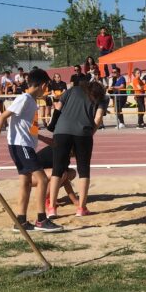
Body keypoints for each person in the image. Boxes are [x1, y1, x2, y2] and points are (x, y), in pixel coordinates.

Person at [0, 68, 63, 232]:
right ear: (43, 85)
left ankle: (21, 220)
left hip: (24, 145)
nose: (46, 90)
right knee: (42, 180)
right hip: (20, 145)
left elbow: (29, 128)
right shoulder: (25, 99)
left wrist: (44, 139)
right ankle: (42, 219)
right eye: (47, 87)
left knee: (26, 182)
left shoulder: (30, 101)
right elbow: (2, 117)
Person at [47, 79, 108, 218]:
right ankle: (81, 208)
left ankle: (51, 208)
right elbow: (98, 118)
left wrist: (53, 125)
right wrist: (90, 133)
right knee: (83, 170)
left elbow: (58, 107)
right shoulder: (101, 98)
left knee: (57, 169)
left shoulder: (71, 91)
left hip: (61, 131)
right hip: (83, 133)